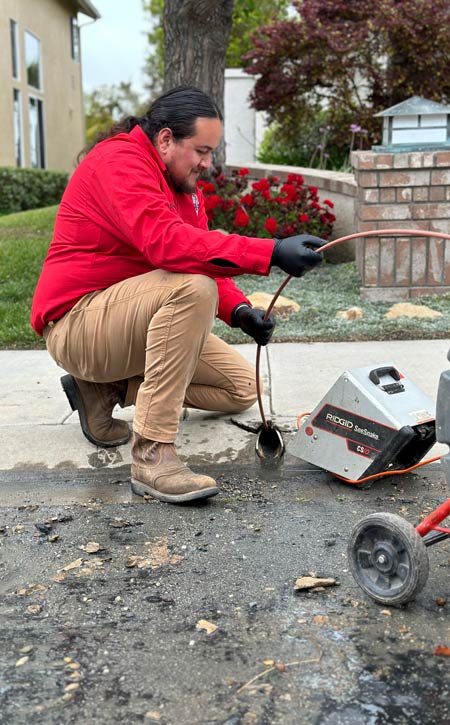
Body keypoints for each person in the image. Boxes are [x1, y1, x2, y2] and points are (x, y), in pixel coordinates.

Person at [31, 86, 325, 505]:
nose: (207, 163)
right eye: (201, 151)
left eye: (211, 153)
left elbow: (199, 252)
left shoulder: (183, 188)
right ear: (166, 139)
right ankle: (153, 453)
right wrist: (271, 251)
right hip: (78, 324)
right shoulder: (120, 162)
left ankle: (104, 391)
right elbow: (166, 246)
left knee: (241, 389)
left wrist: (240, 311)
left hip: (128, 320)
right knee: (192, 288)